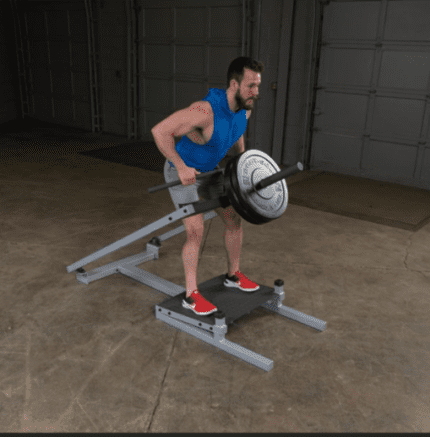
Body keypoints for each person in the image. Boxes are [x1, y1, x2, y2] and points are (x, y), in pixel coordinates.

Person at [151, 57, 264, 316]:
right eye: (251, 86)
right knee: (196, 230)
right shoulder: (205, 111)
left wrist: (242, 161)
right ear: (234, 84)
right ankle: (191, 295)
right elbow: (160, 131)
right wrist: (180, 166)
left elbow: (238, 132)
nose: (256, 93)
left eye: (257, 86)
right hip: (182, 173)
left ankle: (233, 275)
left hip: (210, 172)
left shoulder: (244, 109)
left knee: (234, 220)